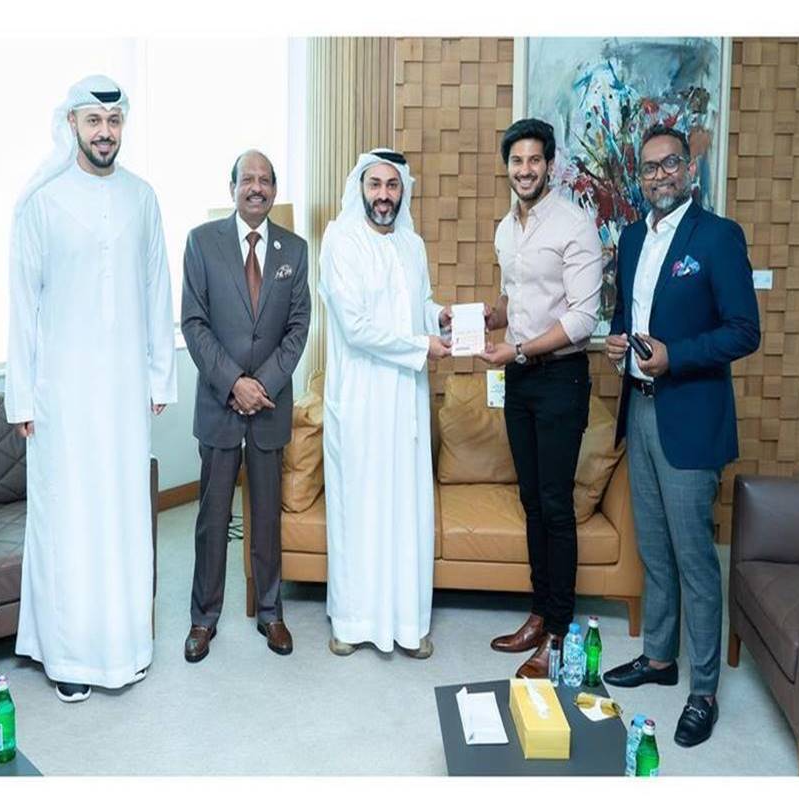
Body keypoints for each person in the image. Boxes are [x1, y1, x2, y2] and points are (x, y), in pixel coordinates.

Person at [5, 75, 177, 703]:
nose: (105, 132)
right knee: (71, 519)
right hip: (62, 396)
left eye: (114, 121)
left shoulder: (142, 198)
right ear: (72, 124)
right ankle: (69, 655)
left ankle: (126, 647)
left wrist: (160, 376)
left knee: (124, 514)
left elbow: (158, 290)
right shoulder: (42, 201)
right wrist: (22, 397)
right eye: (94, 121)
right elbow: (22, 305)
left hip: (125, 390)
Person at [602, 125, 760, 747]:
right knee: (654, 547)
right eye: (649, 168)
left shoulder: (718, 236)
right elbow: (628, 315)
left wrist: (677, 356)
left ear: (690, 170)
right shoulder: (632, 238)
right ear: (639, 178)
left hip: (690, 412)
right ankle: (659, 657)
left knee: (695, 556)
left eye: (670, 164)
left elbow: (743, 330)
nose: (660, 175)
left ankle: (704, 691)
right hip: (640, 409)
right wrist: (618, 345)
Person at [477, 118, 603, 679]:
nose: (524, 170)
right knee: (531, 501)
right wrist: (487, 319)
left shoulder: (575, 224)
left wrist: (520, 348)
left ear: (550, 165)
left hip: (560, 378)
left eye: (534, 160)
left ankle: (558, 633)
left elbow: (582, 318)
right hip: (520, 378)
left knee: (555, 505)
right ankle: (538, 613)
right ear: (507, 167)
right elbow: (515, 300)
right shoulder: (506, 229)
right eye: (516, 161)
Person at [318, 148, 450, 658]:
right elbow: (355, 327)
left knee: (406, 510)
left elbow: (419, 303)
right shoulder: (341, 240)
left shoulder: (412, 244)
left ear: (402, 192)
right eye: (375, 184)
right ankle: (351, 622)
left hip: (405, 401)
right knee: (359, 508)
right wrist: (421, 345)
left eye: (393, 186)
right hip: (360, 400)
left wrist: (441, 319)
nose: (384, 195)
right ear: (361, 188)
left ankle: (408, 623)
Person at [180, 150, 310, 661]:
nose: (256, 187)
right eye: (247, 179)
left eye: (265, 180)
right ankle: (203, 618)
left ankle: (271, 612)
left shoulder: (294, 250)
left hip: (270, 406)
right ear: (232, 187)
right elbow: (194, 323)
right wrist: (235, 382)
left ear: (274, 189)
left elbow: (298, 327)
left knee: (266, 518)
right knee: (212, 517)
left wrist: (264, 384)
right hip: (219, 403)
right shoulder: (202, 242)